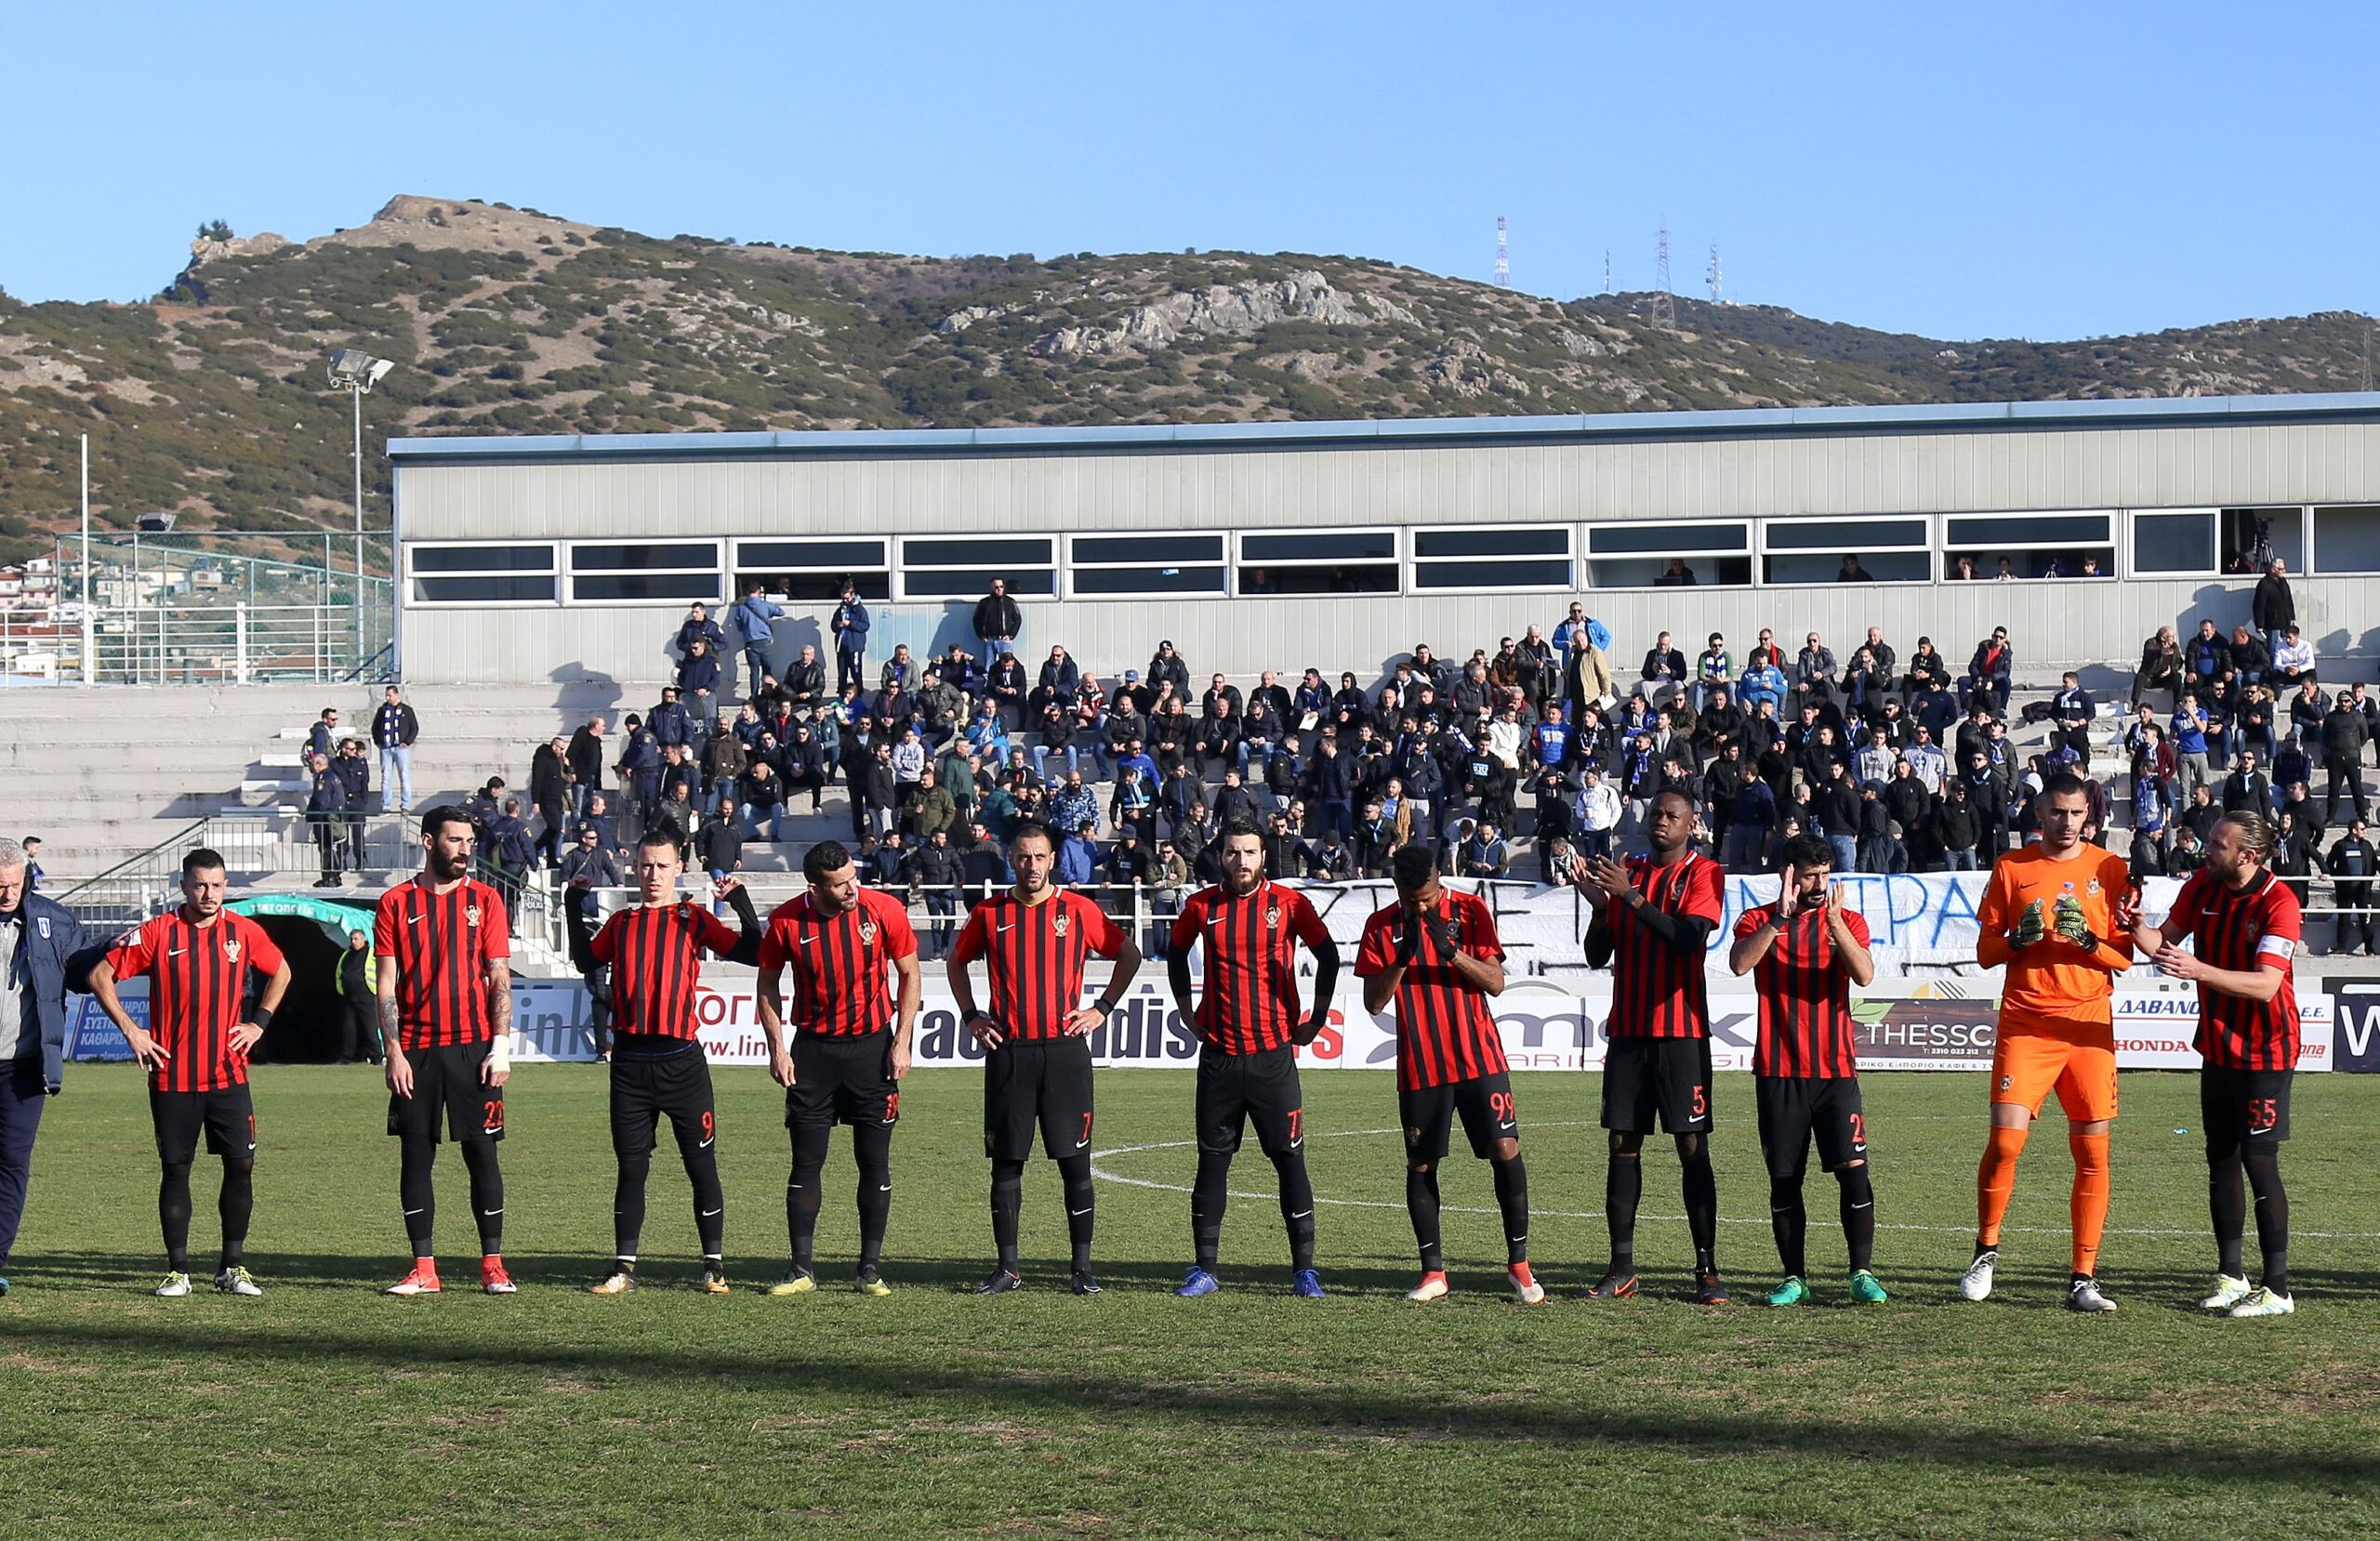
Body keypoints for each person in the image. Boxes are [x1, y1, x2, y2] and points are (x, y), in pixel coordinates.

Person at [1960, 773, 2136, 1313]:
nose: (2066, 822)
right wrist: (2018, 939)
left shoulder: (2111, 869)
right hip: (2027, 1024)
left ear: (2090, 815)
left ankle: (2084, 1276)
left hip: (2087, 1029)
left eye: (2076, 813)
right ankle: (1985, 1250)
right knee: (2007, 1143)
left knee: (2092, 1152)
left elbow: (2125, 956)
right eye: (2057, 812)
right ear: (2039, 812)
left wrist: (2089, 942)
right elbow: (1987, 951)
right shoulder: (2012, 867)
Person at [86, 849, 293, 1297]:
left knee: (241, 1165)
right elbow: (101, 974)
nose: (209, 893)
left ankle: (231, 1268)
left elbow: (282, 971)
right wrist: (131, 1030)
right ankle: (178, 1271)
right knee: (176, 1170)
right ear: (184, 886)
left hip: (228, 1075)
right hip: (172, 1076)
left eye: (217, 885)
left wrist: (258, 1024)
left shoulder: (242, 931)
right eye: (200, 884)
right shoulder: (159, 932)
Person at [948, 823, 1141, 1296]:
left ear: (1052, 860)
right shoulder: (990, 913)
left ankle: (1081, 1269)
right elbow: (956, 962)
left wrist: (1102, 1008)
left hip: (1064, 1053)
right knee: (1007, 1164)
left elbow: (1129, 955)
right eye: (1022, 856)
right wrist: (972, 1015)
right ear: (1010, 859)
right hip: (1009, 1052)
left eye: (1039, 857)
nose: (1030, 865)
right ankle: (1008, 1269)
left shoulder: (1077, 910)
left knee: (1074, 1163)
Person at [1354, 843, 1540, 1305]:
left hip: (1480, 1057)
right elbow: (1373, 1003)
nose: (1423, 906)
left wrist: (1450, 952)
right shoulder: (1380, 927)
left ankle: (1519, 1266)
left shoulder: (1472, 910)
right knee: (1421, 1162)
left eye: (1429, 896)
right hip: (1422, 1064)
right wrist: (1402, 958)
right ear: (1397, 888)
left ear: (1439, 879)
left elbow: (1496, 983)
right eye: (1413, 899)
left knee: (1505, 1147)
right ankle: (1433, 1272)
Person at [2132, 813, 2301, 1317]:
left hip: (2266, 1049)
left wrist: (2199, 970)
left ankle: (2278, 1290)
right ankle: (2231, 1276)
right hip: (2219, 1045)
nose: (2207, 850)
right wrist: (2131, 925)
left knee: (2259, 1161)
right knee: (2220, 1157)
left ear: (2247, 856)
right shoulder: (2203, 885)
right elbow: (2162, 944)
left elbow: (2267, 985)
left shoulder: (2279, 903)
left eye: (2217, 845)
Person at [1165, 823, 1342, 1298]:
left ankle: (1304, 1270)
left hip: (1273, 1058)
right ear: (1220, 856)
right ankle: (1205, 1269)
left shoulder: (1289, 904)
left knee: (1289, 1161)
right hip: (1219, 1058)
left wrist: (1317, 1017)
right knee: (1212, 1162)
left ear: (1263, 856)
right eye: (1232, 852)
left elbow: (1328, 954)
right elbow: (1174, 953)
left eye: (1249, 852)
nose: (1241, 860)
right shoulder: (1201, 906)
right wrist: (1186, 1010)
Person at [586, 834, 761, 1297]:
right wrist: (571, 902)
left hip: (681, 1064)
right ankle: (623, 1267)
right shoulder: (621, 922)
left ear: (678, 868)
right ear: (635, 868)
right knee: (631, 1167)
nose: (653, 875)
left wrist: (740, 901)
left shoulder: (692, 918)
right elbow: (586, 958)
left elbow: (754, 952)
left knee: (700, 1165)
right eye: (645, 866)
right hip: (629, 1064)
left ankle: (714, 1266)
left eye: (662, 866)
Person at [1577, 787, 1728, 1304]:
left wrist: (1630, 897)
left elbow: (1688, 939)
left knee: (1691, 1146)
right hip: (1629, 1032)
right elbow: (1598, 955)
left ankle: (1707, 1270)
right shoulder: (1627, 870)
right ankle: (1622, 1268)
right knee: (1622, 1144)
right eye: (1656, 814)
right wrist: (1602, 908)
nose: (1661, 821)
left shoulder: (1703, 873)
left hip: (1682, 1032)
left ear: (1691, 825)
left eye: (1672, 815)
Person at [1726, 836, 1887, 1306]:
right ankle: (1794, 1276)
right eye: (1808, 875)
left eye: (1823, 875)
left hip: (1835, 1072)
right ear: (1788, 874)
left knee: (1853, 1170)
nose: (1818, 885)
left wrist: (1835, 923)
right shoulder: (1759, 918)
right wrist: (1779, 917)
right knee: (1785, 1177)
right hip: (1779, 1072)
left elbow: (1864, 975)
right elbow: (1739, 964)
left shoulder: (1848, 920)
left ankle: (1861, 1272)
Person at [376, 807, 517, 1297]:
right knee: (416, 1157)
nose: (464, 849)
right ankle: (424, 1269)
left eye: (469, 840)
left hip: (473, 1047)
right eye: (455, 840)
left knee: (483, 1155)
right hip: (415, 1050)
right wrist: (393, 1051)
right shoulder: (395, 902)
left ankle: (493, 1265)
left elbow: (499, 976)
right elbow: (387, 985)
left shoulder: (486, 900)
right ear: (428, 841)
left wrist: (499, 1046)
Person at [0, 840, 91, 1296]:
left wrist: (111, 952)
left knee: (13, 1162)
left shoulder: (52, 921)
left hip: (23, 1067)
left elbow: (83, 971)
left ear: (25, 877)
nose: (5, 894)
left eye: (12, 885)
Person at [2325, 820, 2377, 955]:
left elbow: (2374, 864)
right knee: (2344, 918)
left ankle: (2369, 947)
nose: (2364, 832)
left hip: (2363, 889)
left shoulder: (2366, 846)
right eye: (2362, 829)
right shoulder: (2341, 845)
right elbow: (2330, 863)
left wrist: (2368, 882)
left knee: (2365, 919)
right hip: (2345, 889)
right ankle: (2341, 946)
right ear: (2354, 831)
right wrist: (2337, 879)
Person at [732, 581, 785, 701]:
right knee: (767, 670)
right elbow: (781, 612)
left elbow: (739, 626)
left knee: (754, 671)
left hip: (750, 642)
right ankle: (769, 695)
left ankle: (754, 696)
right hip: (765, 640)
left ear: (747, 592)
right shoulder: (765, 605)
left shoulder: (741, 607)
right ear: (759, 592)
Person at [373, 685, 419, 814]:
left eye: (390, 695)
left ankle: (405, 805)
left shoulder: (406, 710)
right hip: (386, 748)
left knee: (404, 776)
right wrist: (378, 741)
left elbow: (414, 727)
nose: (388, 698)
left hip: (401, 749)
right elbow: (375, 727)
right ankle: (385, 805)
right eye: (386, 695)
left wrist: (407, 742)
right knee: (386, 777)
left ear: (396, 695)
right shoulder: (382, 710)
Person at [338, 929, 382, 1065]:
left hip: (366, 995)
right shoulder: (347, 954)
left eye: (356, 939)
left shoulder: (371, 953)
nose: (354, 942)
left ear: (363, 939)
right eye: (352, 939)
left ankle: (377, 1057)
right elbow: (340, 972)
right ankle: (346, 1058)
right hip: (349, 996)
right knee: (348, 1029)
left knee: (370, 1028)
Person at [306, 750, 348, 888]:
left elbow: (321, 801)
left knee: (326, 849)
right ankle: (333, 876)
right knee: (330, 849)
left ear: (318, 764)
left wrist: (314, 817)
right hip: (332, 819)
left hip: (326, 820)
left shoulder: (324, 778)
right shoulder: (332, 776)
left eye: (312, 765)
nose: (311, 768)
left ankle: (329, 878)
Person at [830, 581, 871, 695]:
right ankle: (842, 695)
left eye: (847, 598)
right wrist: (838, 625)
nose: (845, 600)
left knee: (855, 672)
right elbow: (833, 626)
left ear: (852, 595)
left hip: (855, 647)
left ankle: (859, 695)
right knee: (842, 672)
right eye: (843, 598)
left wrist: (850, 623)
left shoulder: (859, 609)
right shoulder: (840, 609)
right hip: (841, 646)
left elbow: (865, 625)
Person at [973, 576, 1022, 658]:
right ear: (992, 588)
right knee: (989, 667)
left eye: (1001, 587)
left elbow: (1017, 620)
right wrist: (981, 635)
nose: (999, 589)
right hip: (989, 640)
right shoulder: (984, 603)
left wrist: (1011, 636)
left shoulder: (1010, 602)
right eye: (996, 587)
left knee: (1007, 665)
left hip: (1004, 640)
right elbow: (976, 619)